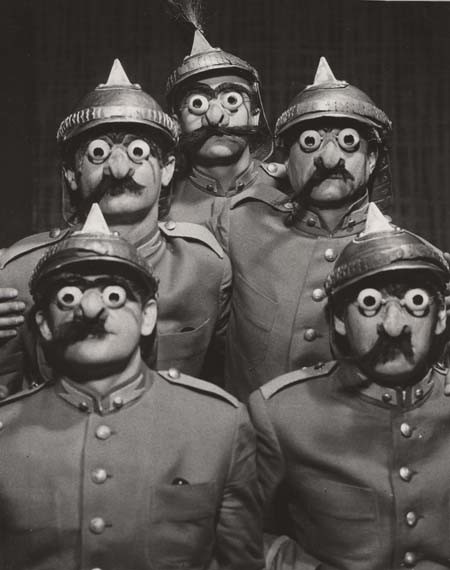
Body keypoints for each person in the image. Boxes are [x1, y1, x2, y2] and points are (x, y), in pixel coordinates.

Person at [0, 210, 263, 570]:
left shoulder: (219, 426)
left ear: (148, 316)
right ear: (44, 325)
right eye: (68, 296)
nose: (91, 309)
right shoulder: (6, 431)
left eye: (114, 295)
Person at [0, 59, 230, 394]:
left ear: (167, 169)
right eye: (98, 154)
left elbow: (228, 377)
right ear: (71, 174)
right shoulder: (19, 271)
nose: (119, 169)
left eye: (138, 153)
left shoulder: (205, 265)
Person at [249, 204, 450, 570]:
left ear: (440, 319)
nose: (393, 326)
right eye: (370, 304)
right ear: (340, 319)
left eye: (415, 303)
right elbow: (236, 532)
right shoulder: (283, 413)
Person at [219, 57, 393, 401]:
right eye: (310, 142)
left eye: (347, 142)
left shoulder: (397, 256)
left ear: (372, 159)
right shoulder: (240, 224)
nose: (329, 159)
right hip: (252, 430)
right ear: (286, 160)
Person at [165, 18, 286, 226]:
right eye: (197, 103)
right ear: (177, 124)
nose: (215, 117)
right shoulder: (159, 201)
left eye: (231, 100)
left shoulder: (290, 189)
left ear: (255, 116)